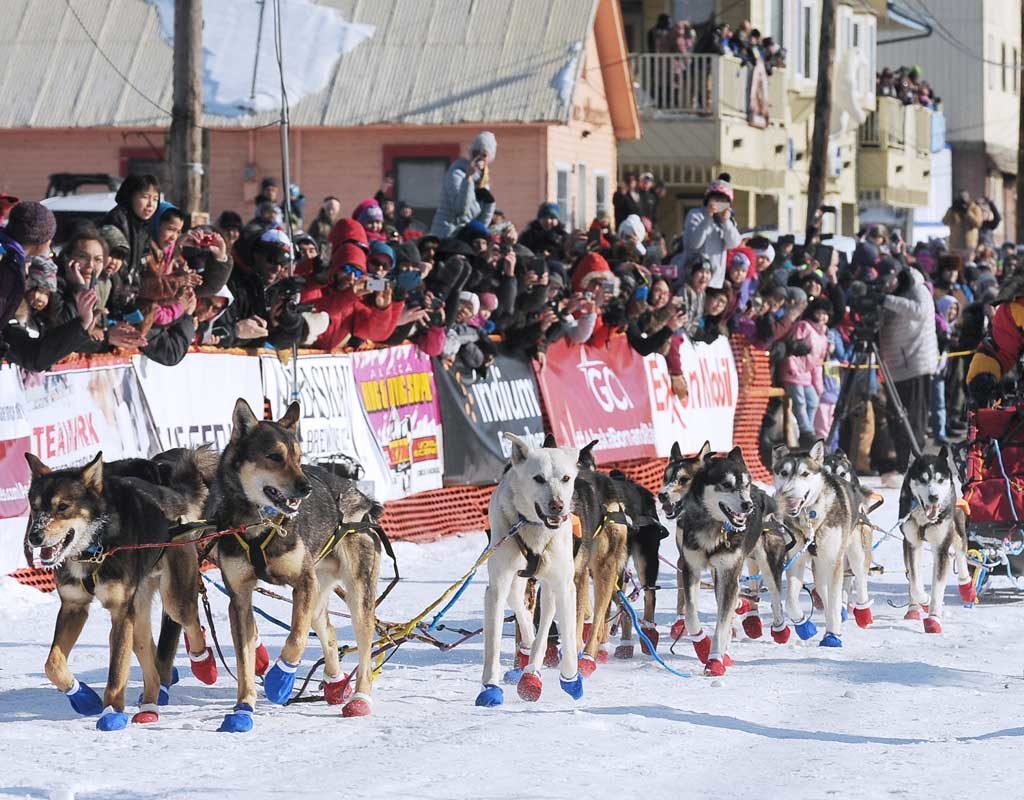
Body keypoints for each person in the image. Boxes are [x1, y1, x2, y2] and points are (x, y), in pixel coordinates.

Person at [878, 266, 939, 482]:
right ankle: (902, 460)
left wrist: (885, 300)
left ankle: (912, 461)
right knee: (898, 416)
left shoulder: (919, 290)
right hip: (897, 366)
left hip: (914, 364)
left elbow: (919, 311)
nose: (890, 284)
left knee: (913, 417)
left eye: (893, 279)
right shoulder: (899, 295)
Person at [430, 131, 497, 237]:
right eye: (475, 153)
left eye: (484, 155)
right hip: (446, 233)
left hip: (466, 236)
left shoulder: (483, 182)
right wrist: (468, 178)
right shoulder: (457, 173)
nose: (479, 158)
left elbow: (482, 222)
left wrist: (490, 203)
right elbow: (460, 209)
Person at [680, 177, 741, 288]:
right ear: (708, 199)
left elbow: (734, 244)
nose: (718, 204)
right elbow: (694, 244)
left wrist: (726, 222)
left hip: (715, 281)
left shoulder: (727, 222)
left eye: (723, 201)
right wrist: (708, 218)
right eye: (715, 199)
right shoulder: (696, 215)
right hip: (694, 278)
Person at [943, 190, 985, 256]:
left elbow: (978, 224)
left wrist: (967, 212)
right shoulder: (953, 210)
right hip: (955, 245)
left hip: (969, 245)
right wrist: (951, 210)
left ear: (968, 198)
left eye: (964, 199)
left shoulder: (975, 208)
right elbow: (945, 221)